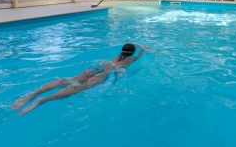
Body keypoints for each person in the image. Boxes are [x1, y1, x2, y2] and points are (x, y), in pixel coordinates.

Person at [12, 43, 147, 116]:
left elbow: (128, 49)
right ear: (132, 53)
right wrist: (142, 50)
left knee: (71, 80)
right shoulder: (129, 60)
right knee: (78, 87)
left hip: (95, 68)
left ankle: (35, 92)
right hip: (103, 75)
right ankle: (44, 99)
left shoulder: (117, 56)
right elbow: (136, 57)